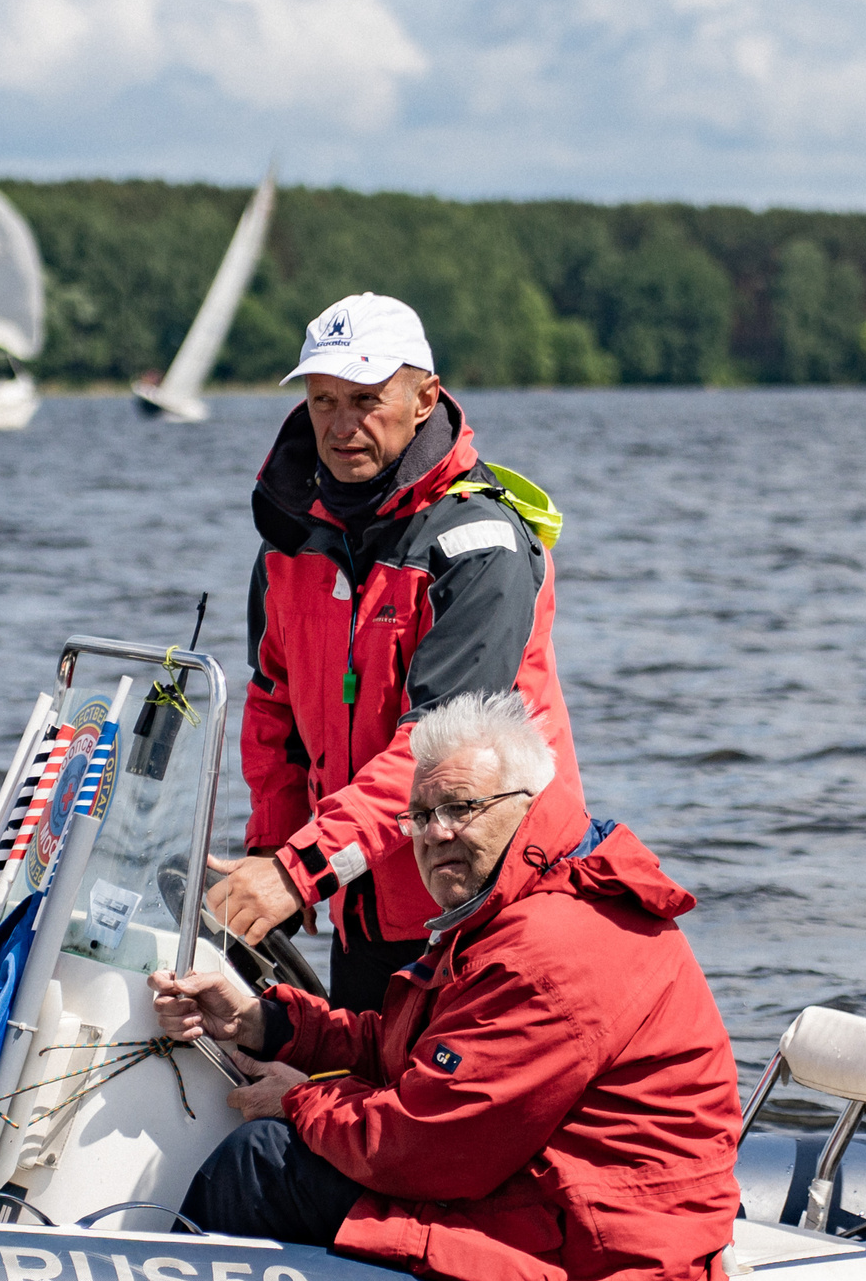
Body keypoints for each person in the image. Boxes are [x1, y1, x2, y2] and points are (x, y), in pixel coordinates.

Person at [151, 692, 742, 1281]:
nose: (435, 834)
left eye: (461, 808)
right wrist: (265, 1024)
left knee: (262, 1163)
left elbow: (419, 1148)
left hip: (601, 1255)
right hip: (557, 1199)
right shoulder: (516, 904)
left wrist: (299, 1101)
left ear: (528, 806)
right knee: (289, 1145)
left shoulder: (547, 948)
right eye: (421, 816)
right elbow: (419, 1054)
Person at [204, 293, 583, 1010]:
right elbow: (272, 708)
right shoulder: (291, 541)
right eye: (323, 401)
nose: (341, 425)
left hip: (490, 905)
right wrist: (273, 847)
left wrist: (297, 871)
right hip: (363, 904)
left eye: (366, 399)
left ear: (423, 400)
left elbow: (435, 750)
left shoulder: (481, 545)